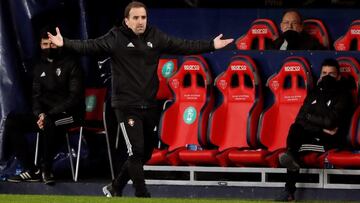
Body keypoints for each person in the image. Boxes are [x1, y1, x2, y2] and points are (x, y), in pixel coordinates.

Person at [48, 1, 233, 198]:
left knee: (144, 153)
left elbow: (183, 45)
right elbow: (90, 46)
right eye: (135, 18)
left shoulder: (156, 36)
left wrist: (211, 44)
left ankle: (116, 186)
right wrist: (65, 43)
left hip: (149, 104)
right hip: (126, 105)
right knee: (135, 151)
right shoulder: (115, 37)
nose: (140, 22)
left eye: (143, 17)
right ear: (126, 21)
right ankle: (141, 193)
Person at [5, 27, 85, 185]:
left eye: (52, 43)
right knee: (12, 121)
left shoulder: (71, 64)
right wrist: (39, 114)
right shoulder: (39, 67)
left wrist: (48, 115)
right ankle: (32, 170)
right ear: (40, 45)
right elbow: (36, 97)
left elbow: (74, 97)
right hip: (46, 115)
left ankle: (47, 169)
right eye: (45, 44)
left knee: (49, 123)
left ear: (59, 43)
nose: (49, 47)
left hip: (70, 115)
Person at [276, 58, 355, 201]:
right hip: (318, 135)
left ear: (338, 77)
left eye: (331, 74)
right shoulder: (314, 93)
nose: (327, 77)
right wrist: (321, 129)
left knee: (294, 150)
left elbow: (330, 122)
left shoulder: (344, 95)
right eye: (324, 73)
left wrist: (309, 117)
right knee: (295, 129)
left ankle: (288, 190)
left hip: (331, 141)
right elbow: (300, 119)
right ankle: (289, 184)